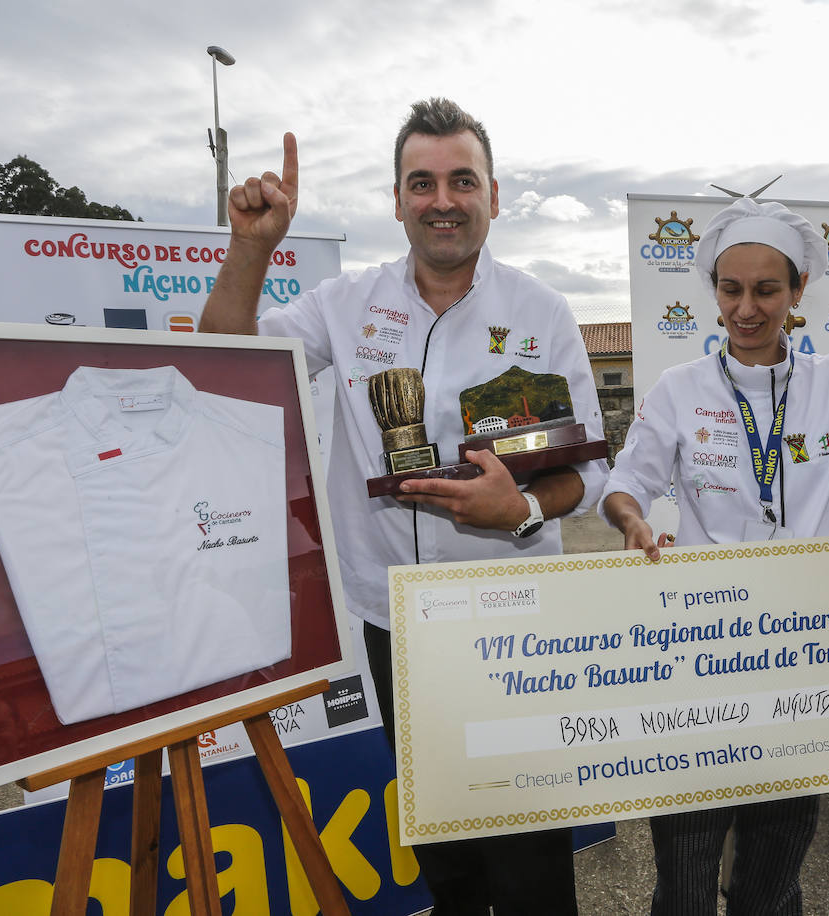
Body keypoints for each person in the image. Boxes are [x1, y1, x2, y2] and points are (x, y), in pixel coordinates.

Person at [200, 97, 605, 915]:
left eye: (463, 180)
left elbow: (587, 476)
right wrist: (250, 250)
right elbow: (224, 362)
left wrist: (517, 510)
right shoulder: (343, 307)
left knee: (529, 857)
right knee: (447, 856)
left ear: (494, 195)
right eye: (422, 183)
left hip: (515, 613)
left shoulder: (542, 313)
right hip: (396, 623)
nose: (443, 200)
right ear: (396, 200)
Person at [600, 198, 829, 914]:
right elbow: (629, 482)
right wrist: (631, 521)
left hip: (805, 660)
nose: (747, 309)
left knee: (772, 882)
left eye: (766, 290)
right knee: (683, 877)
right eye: (731, 289)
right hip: (700, 656)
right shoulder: (678, 391)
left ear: (799, 289)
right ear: (713, 290)